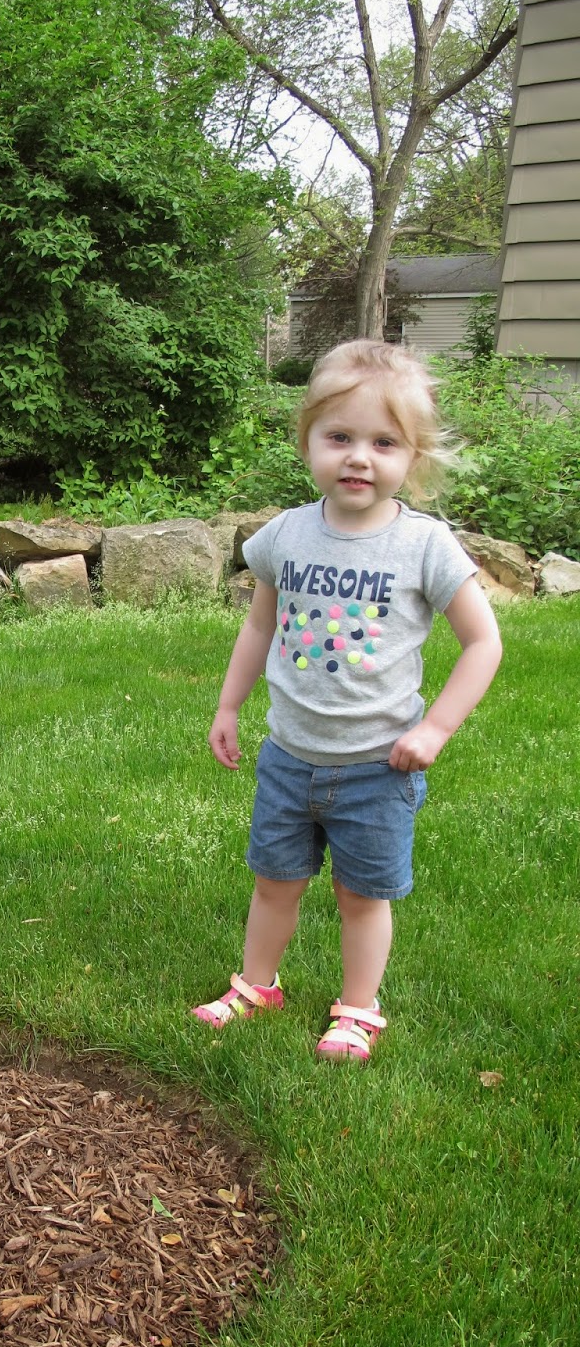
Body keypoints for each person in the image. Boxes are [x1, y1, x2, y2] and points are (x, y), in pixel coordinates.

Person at [192, 339, 502, 1062]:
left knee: (362, 896)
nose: (359, 457)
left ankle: (359, 1009)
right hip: (290, 758)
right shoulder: (286, 535)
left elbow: (483, 644)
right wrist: (229, 707)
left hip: (377, 766)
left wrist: (436, 728)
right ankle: (256, 985)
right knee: (276, 883)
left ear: (413, 457)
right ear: (308, 442)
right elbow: (260, 625)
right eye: (340, 437)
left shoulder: (425, 546)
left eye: (383, 442)